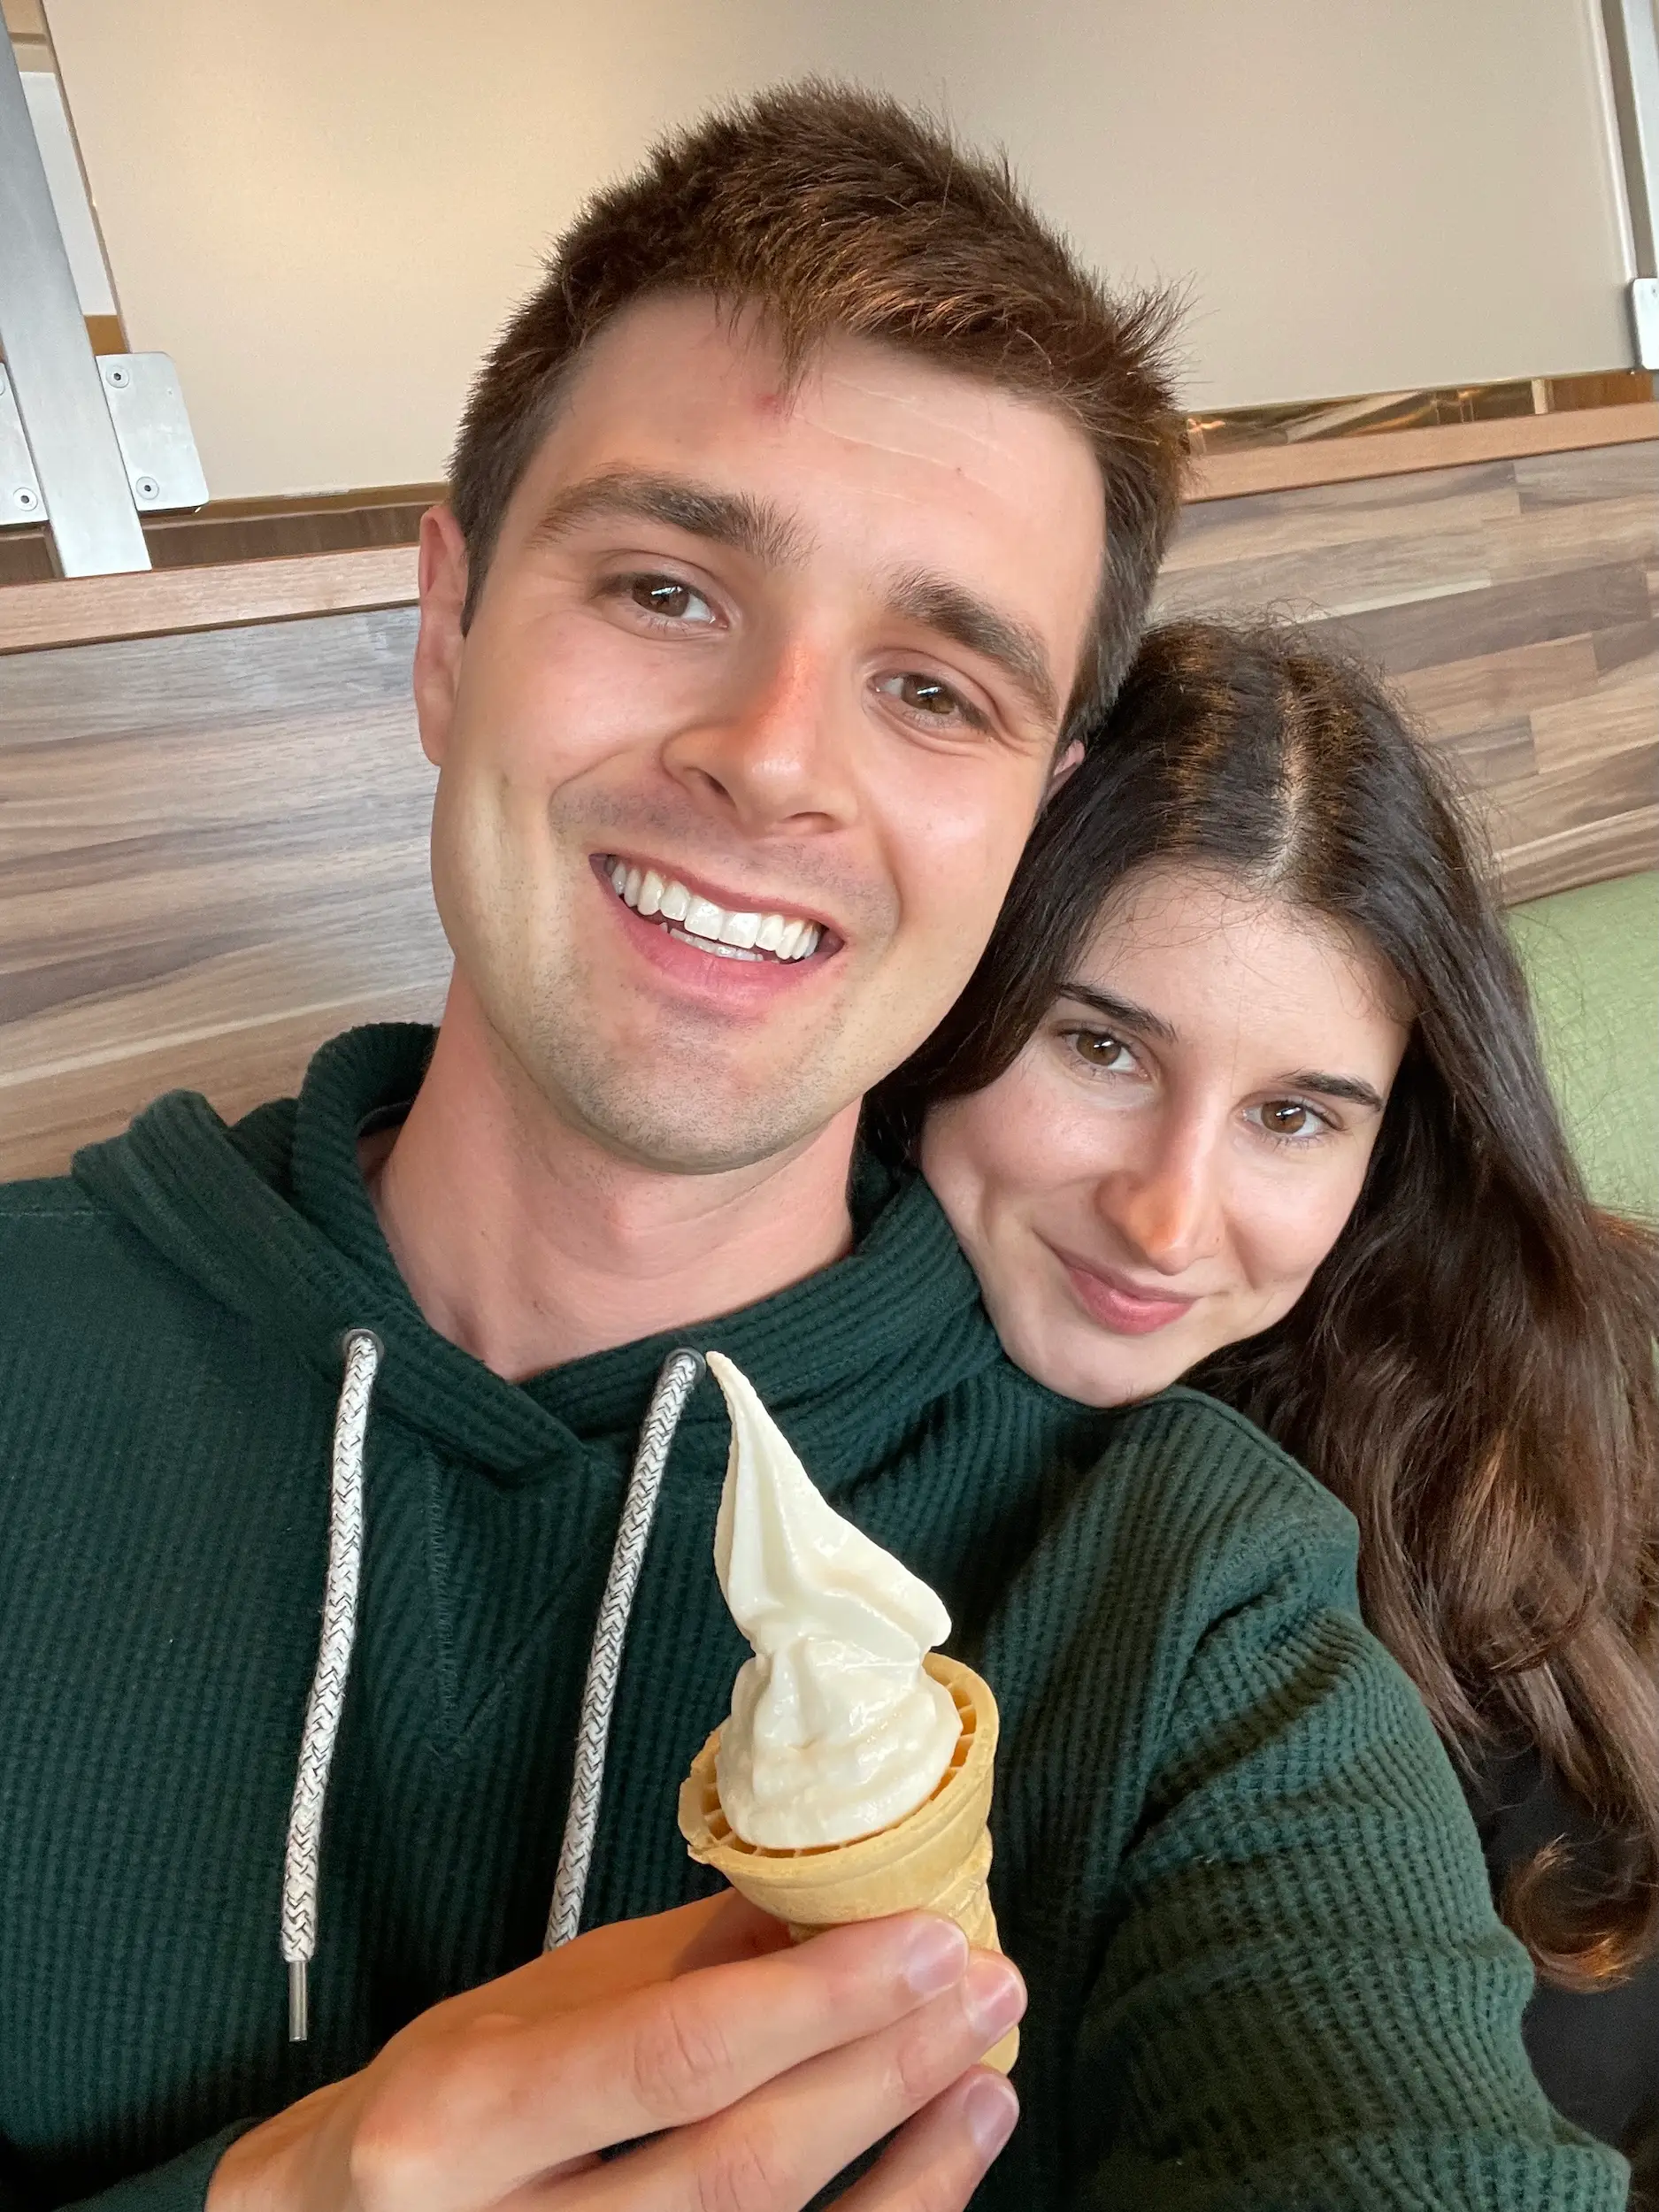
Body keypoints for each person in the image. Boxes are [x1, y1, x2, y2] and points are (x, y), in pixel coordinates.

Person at [0, 88, 1628, 2212]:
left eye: (933, 687)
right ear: (446, 623)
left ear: (1033, 806)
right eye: (668, 585)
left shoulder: (1191, 1586)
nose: (770, 759)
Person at [882, 617, 1659, 2187]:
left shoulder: (1597, 1374)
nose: (1168, 1219)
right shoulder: (815, 1482)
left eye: (1292, 1116)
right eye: (1096, 1047)